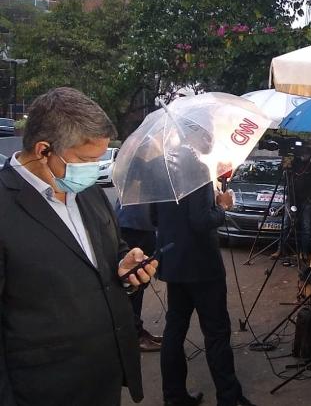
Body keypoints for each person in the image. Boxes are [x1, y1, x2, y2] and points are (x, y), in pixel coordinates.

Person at [0, 87, 157, 405]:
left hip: (104, 378)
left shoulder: (88, 192)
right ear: (44, 151)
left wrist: (125, 267)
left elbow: (111, 251)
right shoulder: (5, 205)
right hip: (41, 388)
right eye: (86, 160)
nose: (95, 169)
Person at [155, 176, 255, 406]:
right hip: (202, 267)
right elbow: (201, 220)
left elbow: (154, 217)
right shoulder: (197, 173)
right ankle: (228, 397)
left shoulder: (164, 173)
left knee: (174, 330)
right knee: (216, 332)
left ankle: (174, 396)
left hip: (174, 262)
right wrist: (222, 206)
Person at [116, 201, 164, 351]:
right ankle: (135, 335)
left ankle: (137, 330)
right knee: (134, 282)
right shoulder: (142, 178)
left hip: (141, 225)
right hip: (134, 226)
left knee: (138, 285)